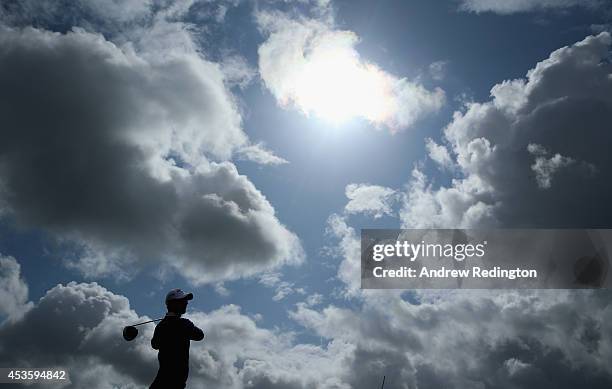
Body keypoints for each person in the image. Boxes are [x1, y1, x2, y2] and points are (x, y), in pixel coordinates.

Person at [150, 288, 204, 389]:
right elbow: (200, 335)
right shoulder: (185, 324)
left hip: (163, 379)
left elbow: (155, 344)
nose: (186, 303)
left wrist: (167, 321)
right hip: (174, 381)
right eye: (182, 301)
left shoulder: (161, 326)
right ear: (173, 304)